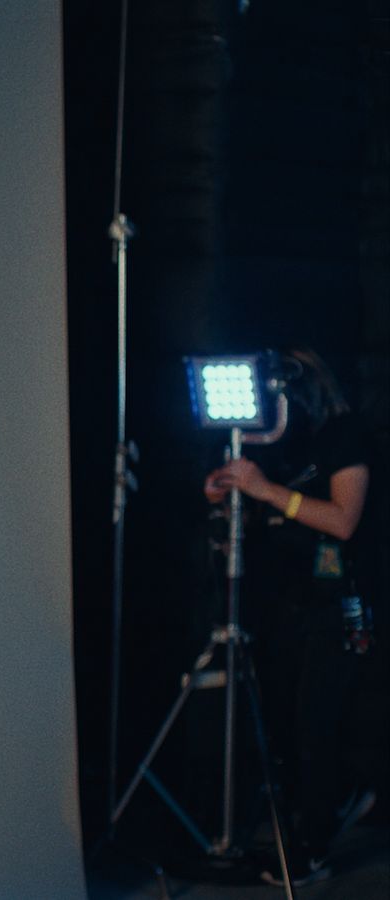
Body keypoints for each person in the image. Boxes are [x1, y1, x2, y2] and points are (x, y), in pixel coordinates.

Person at [202, 348, 375, 886]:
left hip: (338, 604)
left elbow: (343, 521)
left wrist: (266, 490)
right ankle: (331, 802)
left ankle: (315, 847)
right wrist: (224, 490)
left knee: (313, 725)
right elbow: (258, 509)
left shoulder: (344, 435)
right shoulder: (278, 448)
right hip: (286, 604)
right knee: (283, 722)